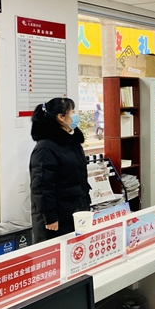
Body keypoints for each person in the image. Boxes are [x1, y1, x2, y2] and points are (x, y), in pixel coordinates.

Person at [29, 97, 91, 243]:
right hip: (56, 220)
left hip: (75, 212)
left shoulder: (72, 142)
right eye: (72, 112)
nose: (76, 116)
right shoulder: (45, 148)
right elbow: (42, 187)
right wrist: (50, 217)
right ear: (61, 117)